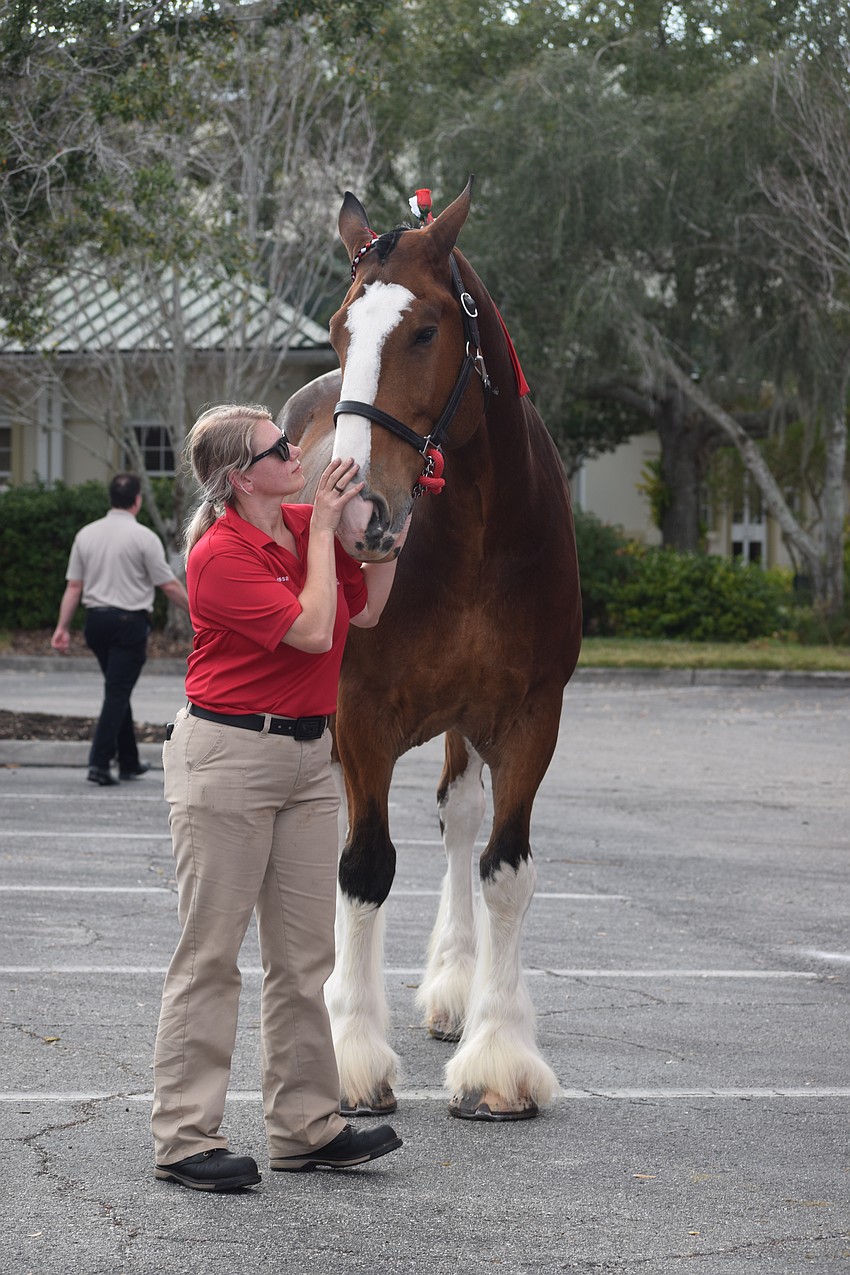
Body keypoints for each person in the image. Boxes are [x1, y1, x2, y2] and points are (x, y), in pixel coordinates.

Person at [151, 403, 409, 1192]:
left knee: (306, 958)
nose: (295, 449)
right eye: (276, 446)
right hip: (228, 756)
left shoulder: (306, 522)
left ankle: (306, 1125)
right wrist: (328, 534)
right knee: (210, 956)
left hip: (306, 756)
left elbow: (366, 609)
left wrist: (386, 534)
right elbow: (311, 626)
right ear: (240, 476)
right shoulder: (219, 554)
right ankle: (185, 1137)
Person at [51, 473, 190, 786]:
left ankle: (128, 760)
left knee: (118, 687)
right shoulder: (143, 537)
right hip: (128, 624)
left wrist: (62, 627)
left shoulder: (86, 535)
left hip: (96, 623)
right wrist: (199, 612)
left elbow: (74, 586)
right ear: (137, 499)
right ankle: (99, 763)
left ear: (111, 498)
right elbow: (168, 585)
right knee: (117, 690)